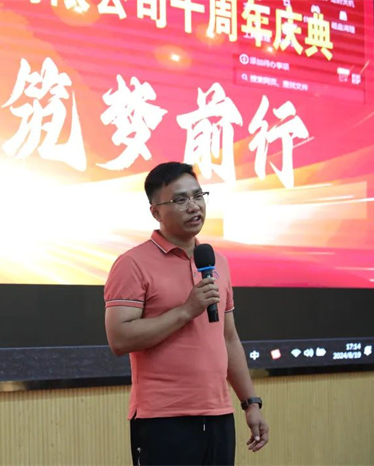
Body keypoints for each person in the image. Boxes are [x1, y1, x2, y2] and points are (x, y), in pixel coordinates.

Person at [104, 162, 269, 466]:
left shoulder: (216, 262)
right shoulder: (132, 263)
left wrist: (250, 403)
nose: (194, 206)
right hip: (163, 419)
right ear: (156, 212)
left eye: (198, 196)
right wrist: (186, 311)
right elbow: (120, 338)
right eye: (180, 199)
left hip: (218, 414)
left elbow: (228, 338)